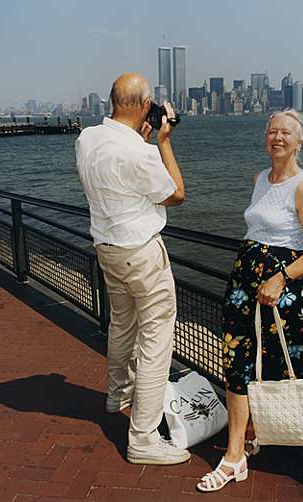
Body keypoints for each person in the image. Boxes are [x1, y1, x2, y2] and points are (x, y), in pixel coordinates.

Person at [197, 110, 303, 492]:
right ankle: (237, 451)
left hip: (280, 292)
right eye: (272, 131)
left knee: (273, 365)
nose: (277, 137)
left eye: (285, 132)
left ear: (299, 140)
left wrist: (280, 277)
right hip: (245, 286)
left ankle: (249, 441)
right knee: (236, 361)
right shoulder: (260, 179)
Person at [75, 73, 190, 465]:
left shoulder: (87, 138)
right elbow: (176, 194)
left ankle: (117, 395)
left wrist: (141, 142)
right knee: (156, 341)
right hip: (141, 253)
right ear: (144, 107)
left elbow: (111, 177)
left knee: (123, 325)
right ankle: (142, 439)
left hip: (107, 249)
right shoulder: (141, 153)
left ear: (111, 101)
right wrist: (164, 142)